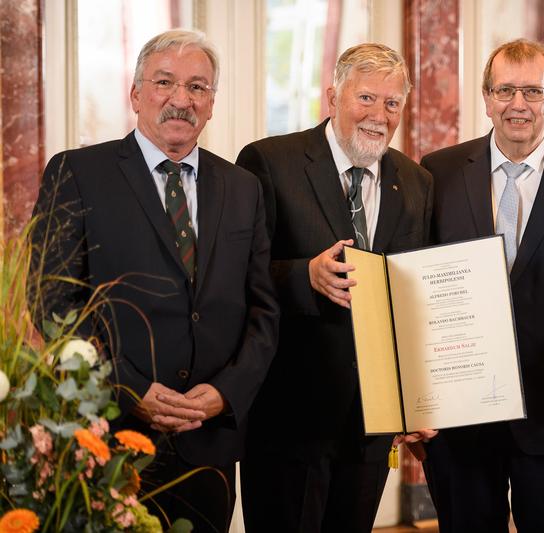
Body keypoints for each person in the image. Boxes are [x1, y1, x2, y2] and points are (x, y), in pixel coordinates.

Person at [30, 29, 279, 531]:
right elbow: (52, 303)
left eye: (197, 87)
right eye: (165, 82)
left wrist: (226, 393)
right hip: (108, 434)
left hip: (209, 441)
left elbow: (263, 311)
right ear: (136, 93)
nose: (181, 99)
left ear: (211, 104)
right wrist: (130, 388)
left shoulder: (243, 188)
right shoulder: (78, 172)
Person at [418, 39, 544, 533]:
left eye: (533, 91)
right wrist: (415, 402)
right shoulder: (437, 173)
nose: (518, 105)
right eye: (505, 90)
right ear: (486, 98)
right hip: (459, 423)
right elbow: (417, 295)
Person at [235, 43, 433, 532]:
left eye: (392, 104)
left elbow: (415, 302)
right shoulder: (269, 161)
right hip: (288, 417)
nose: (379, 115)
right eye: (366, 98)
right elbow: (237, 275)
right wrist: (304, 275)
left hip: (371, 423)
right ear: (333, 96)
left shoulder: (415, 181)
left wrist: (414, 399)